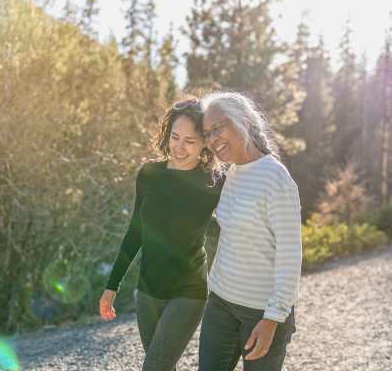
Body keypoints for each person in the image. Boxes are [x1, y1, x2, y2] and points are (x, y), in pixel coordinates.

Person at [99, 98, 223, 371]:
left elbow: (236, 225)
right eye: (175, 137)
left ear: (204, 142)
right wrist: (112, 285)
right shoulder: (149, 174)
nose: (179, 147)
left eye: (190, 140)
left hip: (188, 292)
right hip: (147, 292)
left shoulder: (213, 181)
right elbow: (135, 231)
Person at [198, 92, 302, 371]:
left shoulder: (275, 177)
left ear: (242, 120)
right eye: (207, 133)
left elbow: (290, 256)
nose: (212, 139)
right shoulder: (229, 174)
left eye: (217, 128)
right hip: (220, 303)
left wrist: (272, 319)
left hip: (261, 312)